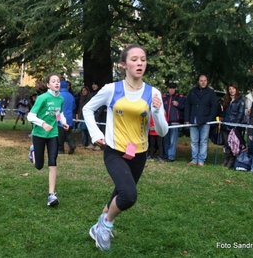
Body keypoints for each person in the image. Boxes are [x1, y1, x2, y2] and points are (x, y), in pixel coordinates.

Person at [83, 44, 168, 251]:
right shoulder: (112, 89)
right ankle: (106, 224)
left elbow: (163, 131)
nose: (139, 63)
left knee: (117, 195)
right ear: (123, 64)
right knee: (128, 195)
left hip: (139, 154)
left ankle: (98, 227)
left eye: (143, 59)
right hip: (115, 152)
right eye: (134, 59)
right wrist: (96, 134)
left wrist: (156, 111)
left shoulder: (153, 92)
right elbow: (87, 109)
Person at [27, 73, 69, 207]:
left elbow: (58, 114)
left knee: (53, 161)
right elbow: (30, 116)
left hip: (53, 134)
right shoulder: (42, 98)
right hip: (39, 134)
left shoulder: (60, 99)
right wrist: (43, 124)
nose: (57, 83)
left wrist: (63, 122)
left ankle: (51, 194)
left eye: (58, 81)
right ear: (48, 85)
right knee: (39, 166)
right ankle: (33, 151)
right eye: (54, 81)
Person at [184, 74, 218, 166]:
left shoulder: (211, 93)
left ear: (207, 81)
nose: (203, 82)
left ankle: (201, 160)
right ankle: (194, 159)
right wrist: (187, 119)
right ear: (198, 81)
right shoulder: (192, 92)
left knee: (203, 141)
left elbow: (214, 107)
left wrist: (209, 119)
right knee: (194, 141)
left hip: (205, 121)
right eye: (201, 80)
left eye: (205, 80)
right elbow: (187, 106)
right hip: (193, 120)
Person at [221, 84, 245, 169]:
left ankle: (231, 161)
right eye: (230, 89)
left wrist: (235, 126)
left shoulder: (240, 101)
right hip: (225, 125)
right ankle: (226, 160)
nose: (231, 90)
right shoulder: (227, 100)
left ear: (236, 89)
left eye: (233, 89)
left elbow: (240, 114)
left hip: (233, 127)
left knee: (233, 144)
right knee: (226, 144)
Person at [162, 82, 185, 162]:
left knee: (173, 140)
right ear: (168, 89)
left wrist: (178, 104)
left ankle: (171, 156)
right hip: (165, 121)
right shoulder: (164, 97)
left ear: (175, 89)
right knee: (166, 139)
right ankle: (166, 155)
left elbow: (184, 107)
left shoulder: (180, 97)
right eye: (170, 88)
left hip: (175, 121)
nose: (171, 90)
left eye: (173, 88)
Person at [58, 81, 76, 154]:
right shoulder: (71, 96)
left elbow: (57, 107)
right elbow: (74, 106)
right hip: (69, 117)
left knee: (60, 135)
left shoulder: (58, 95)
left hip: (60, 117)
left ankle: (60, 149)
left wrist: (58, 118)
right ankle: (72, 144)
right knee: (68, 133)